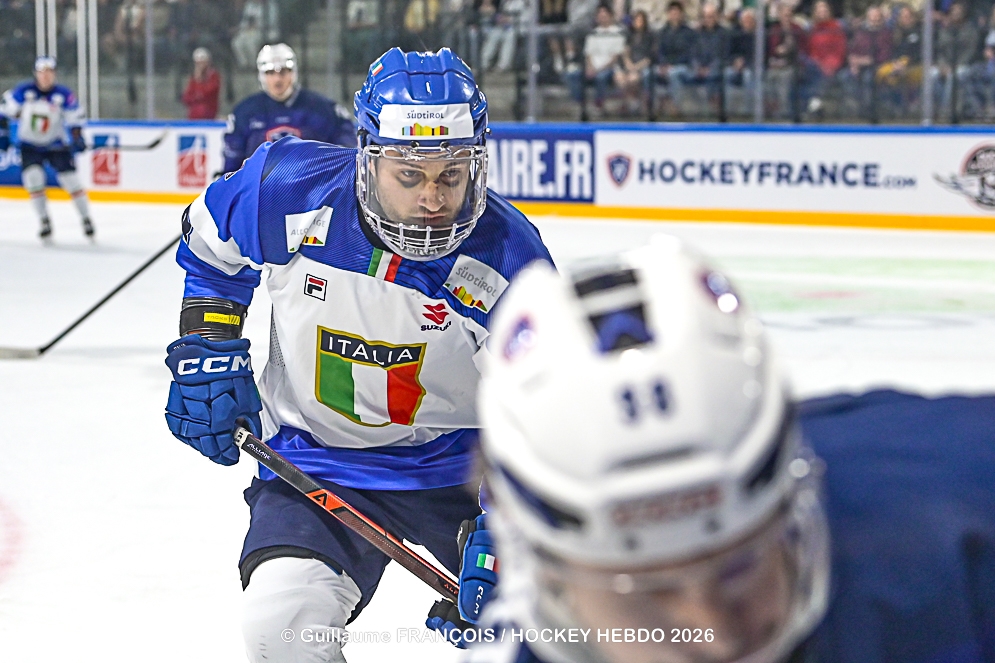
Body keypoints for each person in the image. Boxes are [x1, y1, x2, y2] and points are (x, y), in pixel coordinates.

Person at [163, 47, 554, 663]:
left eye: (451, 175)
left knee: (546, 634)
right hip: (316, 459)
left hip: (461, 471)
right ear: (367, 158)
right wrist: (209, 346)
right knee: (280, 628)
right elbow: (211, 246)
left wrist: (512, 522)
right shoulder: (284, 188)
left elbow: (550, 414)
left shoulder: (510, 259)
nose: (432, 198)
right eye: (409, 175)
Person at [464, 237, 995, 663]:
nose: (716, 634)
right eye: (645, 590)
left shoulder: (965, 519)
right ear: (549, 579)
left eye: (739, 566)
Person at [222, 43, 355, 175]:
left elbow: (346, 154)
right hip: (260, 187)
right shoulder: (245, 113)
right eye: (270, 72)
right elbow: (232, 168)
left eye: (283, 72)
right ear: (261, 75)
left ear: (293, 72)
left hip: (312, 185)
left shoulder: (323, 109)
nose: (277, 79)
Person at [0, 56, 94, 241]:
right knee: (33, 179)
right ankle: (44, 220)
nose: (46, 76)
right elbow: (3, 112)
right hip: (30, 146)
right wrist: (2, 135)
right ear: (36, 73)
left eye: (50, 72)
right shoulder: (23, 91)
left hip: (56, 145)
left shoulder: (63, 94)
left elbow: (75, 118)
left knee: (71, 181)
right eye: (42, 72)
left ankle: (86, 219)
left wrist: (77, 138)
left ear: (55, 74)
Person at [565, 4, 627, 113]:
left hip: (609, 68)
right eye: (600, 15)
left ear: (610, 16)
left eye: (605, 15)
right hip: (592, 67)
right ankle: (579, 104)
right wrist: (590, 67)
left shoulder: (618, 33)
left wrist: (599, 69)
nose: (602, 18)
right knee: (572, 74)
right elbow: (588, 53)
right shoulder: (593, 33)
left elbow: (615, 57)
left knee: (601, 77)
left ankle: (599, 105)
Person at [181, 47, 221, 120]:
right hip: (194, 114)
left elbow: (206, 93)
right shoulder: (194, 78)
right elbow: (187, 97)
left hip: (208, 112)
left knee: (201, 110)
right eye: (198, 63)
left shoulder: (214, 76)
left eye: (202, 62)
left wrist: (199, 81)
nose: (200, 65)